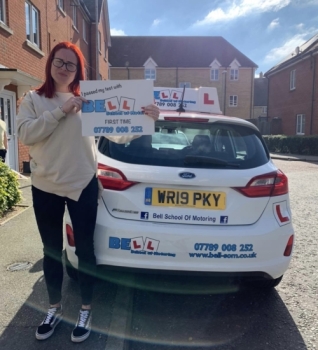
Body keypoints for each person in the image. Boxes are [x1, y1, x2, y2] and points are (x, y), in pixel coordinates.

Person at [16, 41, 159, 343]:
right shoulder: (34, 98)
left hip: (82, 185)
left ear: (78, 70)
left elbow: (118, 134)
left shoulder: (90, 100)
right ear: (50, 63)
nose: (64, 68)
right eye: (59, 61)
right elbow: (27, 134)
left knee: (85, 251)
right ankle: (54, 308)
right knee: (52, 251)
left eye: (71, 64)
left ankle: (85, 311)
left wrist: (146, 118)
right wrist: (60, 112)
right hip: (45, 187)